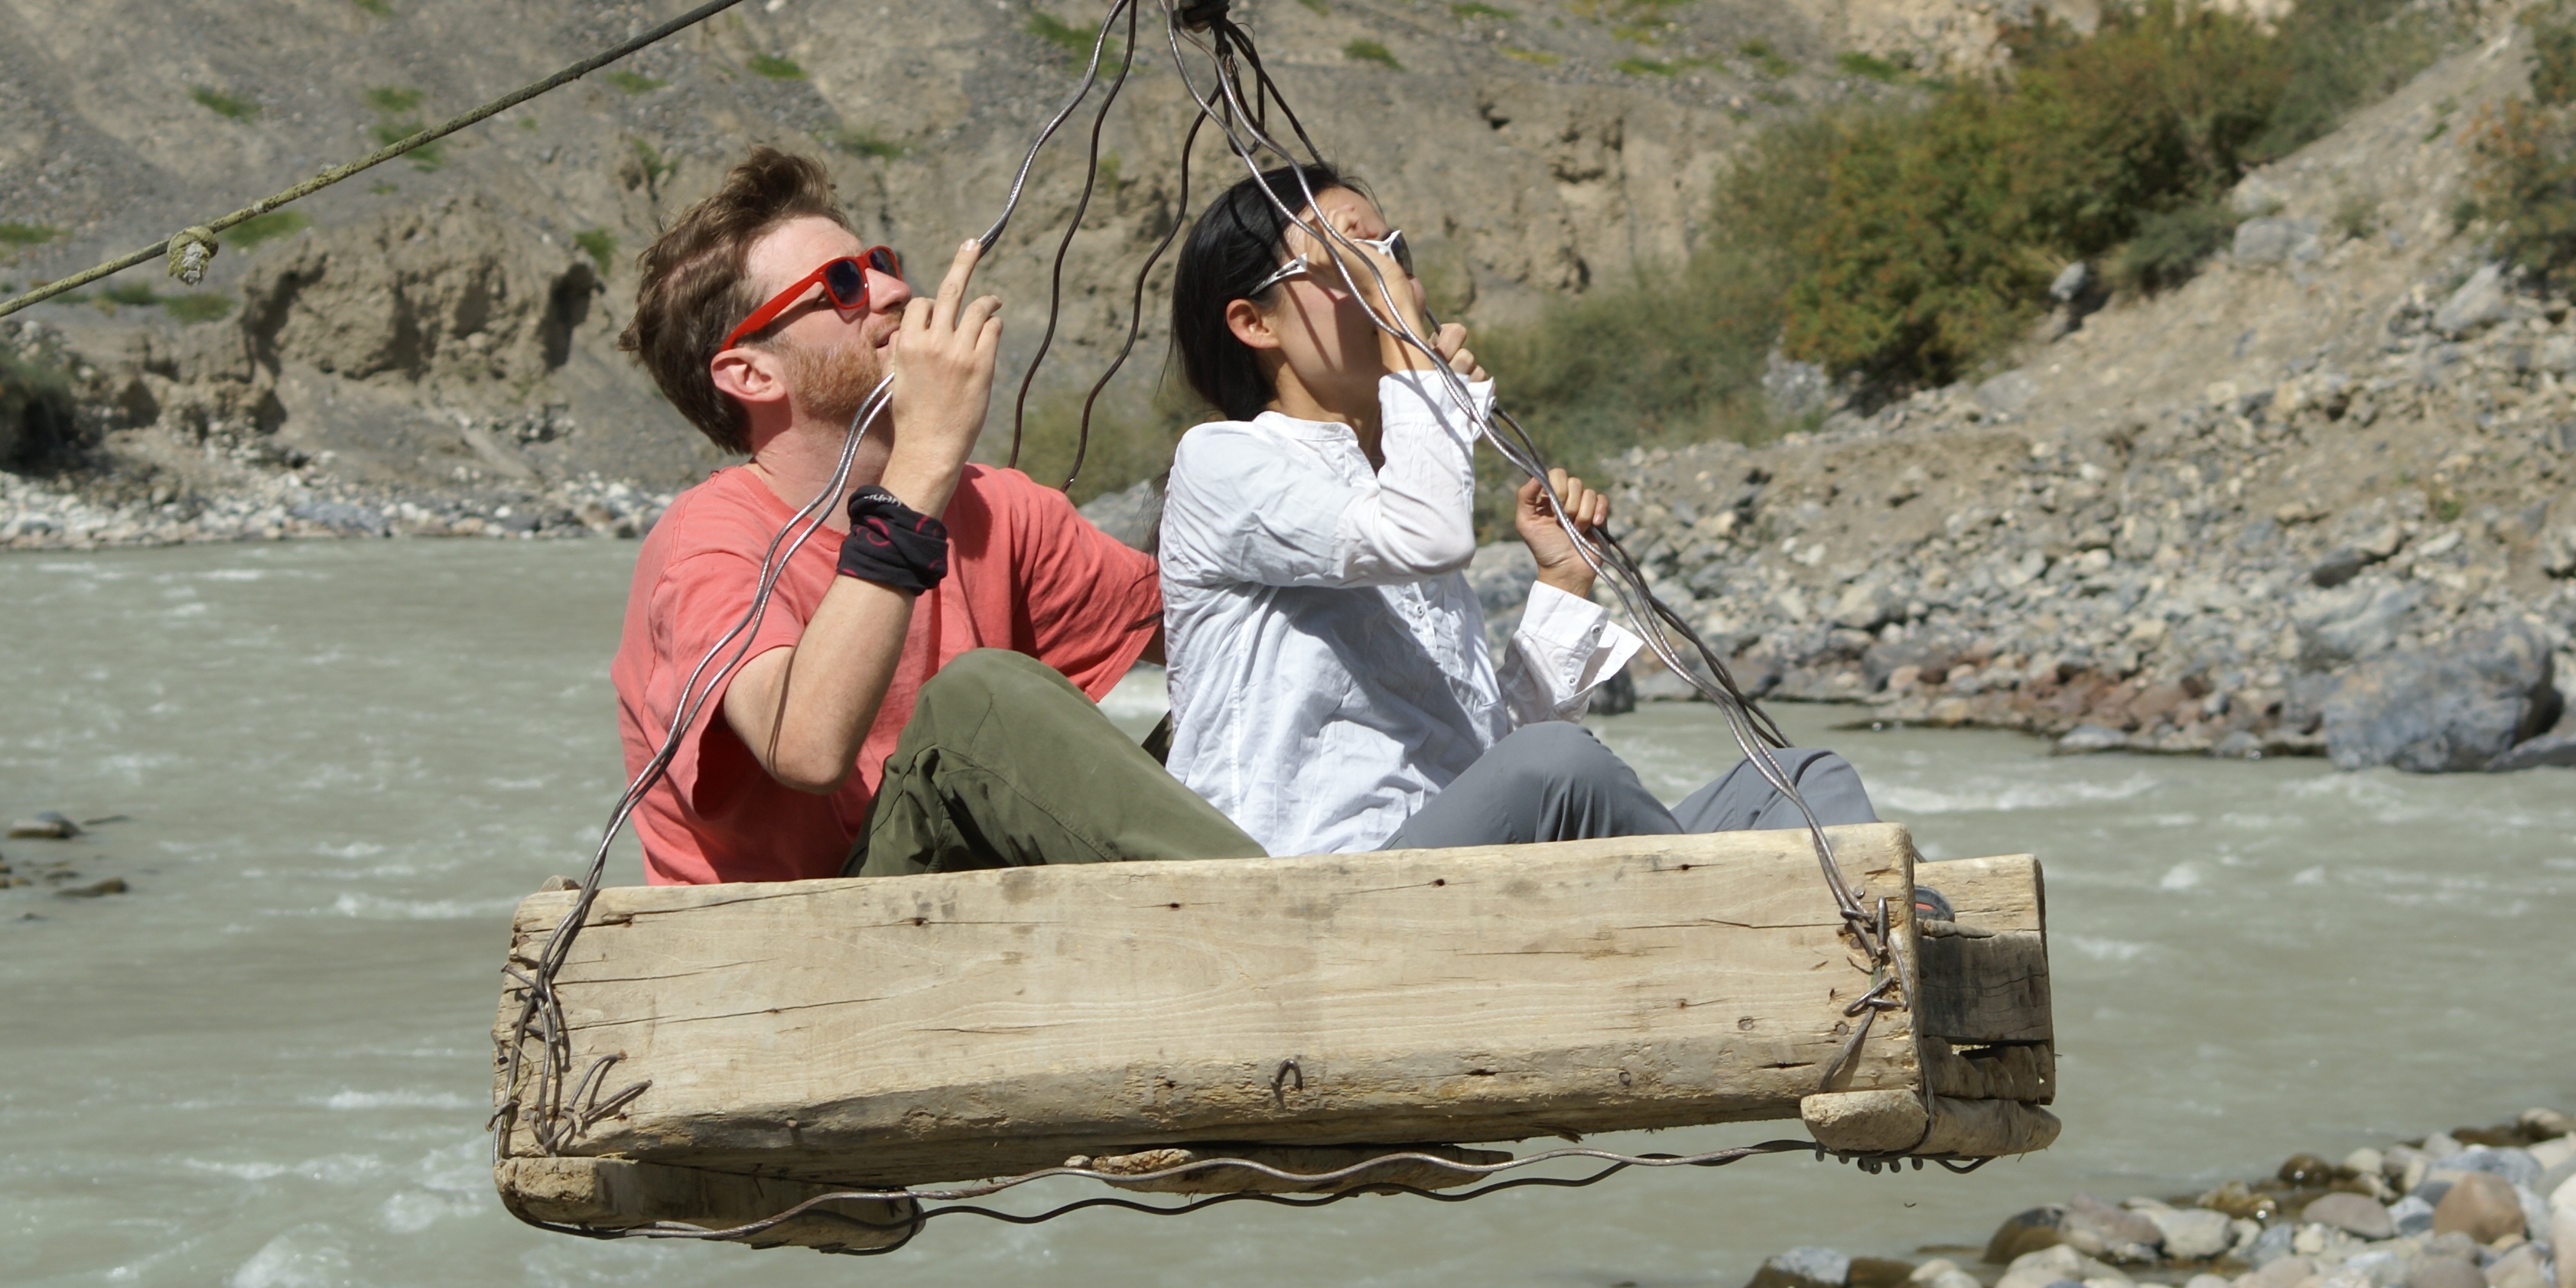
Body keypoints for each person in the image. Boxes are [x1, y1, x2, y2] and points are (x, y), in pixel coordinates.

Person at [1157, 163, 1883, 858]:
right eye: (1348, 259)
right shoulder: (1222, 461)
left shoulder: (1398, 484)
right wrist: (1419, 368)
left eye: (1394, 253)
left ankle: (1897, 921)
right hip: (1322, 882)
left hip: (1454, 864)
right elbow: (1427, 538)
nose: (1390, 279)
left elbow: (1490, 759)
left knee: (1801, 779)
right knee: (1557, 764)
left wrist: (1562, 584)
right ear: (1255, 324)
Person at [607, 146, 1260, 886]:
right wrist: (924, 461)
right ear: (751, 374)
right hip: (803, 936)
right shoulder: (706, 541)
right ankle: (1287, 918)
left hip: (965, 912)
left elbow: (1231, 636)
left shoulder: (992, 505)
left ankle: (1303, 894)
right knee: (974, 706)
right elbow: (804, 745)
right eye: (843, 283)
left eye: (880, 262)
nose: (893, 290)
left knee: (1264, 683)